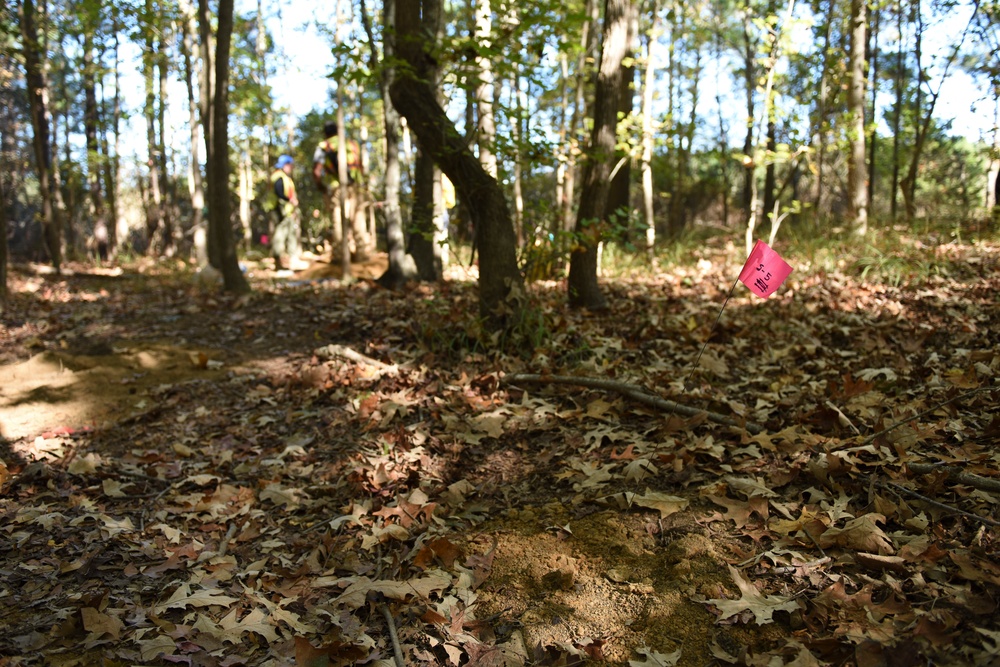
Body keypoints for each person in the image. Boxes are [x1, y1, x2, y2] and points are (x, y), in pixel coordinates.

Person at [312, 121, 370, 258]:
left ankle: (340, 256)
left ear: (325, 133)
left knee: (338, 221)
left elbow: (317, 171)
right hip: (357, 186)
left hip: (336, 186)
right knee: (358, 220)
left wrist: (321, 186)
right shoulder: (352, 144)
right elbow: (360, 166)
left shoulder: (324, 146)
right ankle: (362, 255)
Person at [270, 154, 302, 270]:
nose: (291, 168)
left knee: (290, 234)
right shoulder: (278, 177)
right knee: (280, 235)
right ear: (285, 165)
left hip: (286, 212)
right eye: (290, 165)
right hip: (280, 210)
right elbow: (279, 192)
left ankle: (292, 260)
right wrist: (291, 200)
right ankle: (279, 262)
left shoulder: (282, 176)